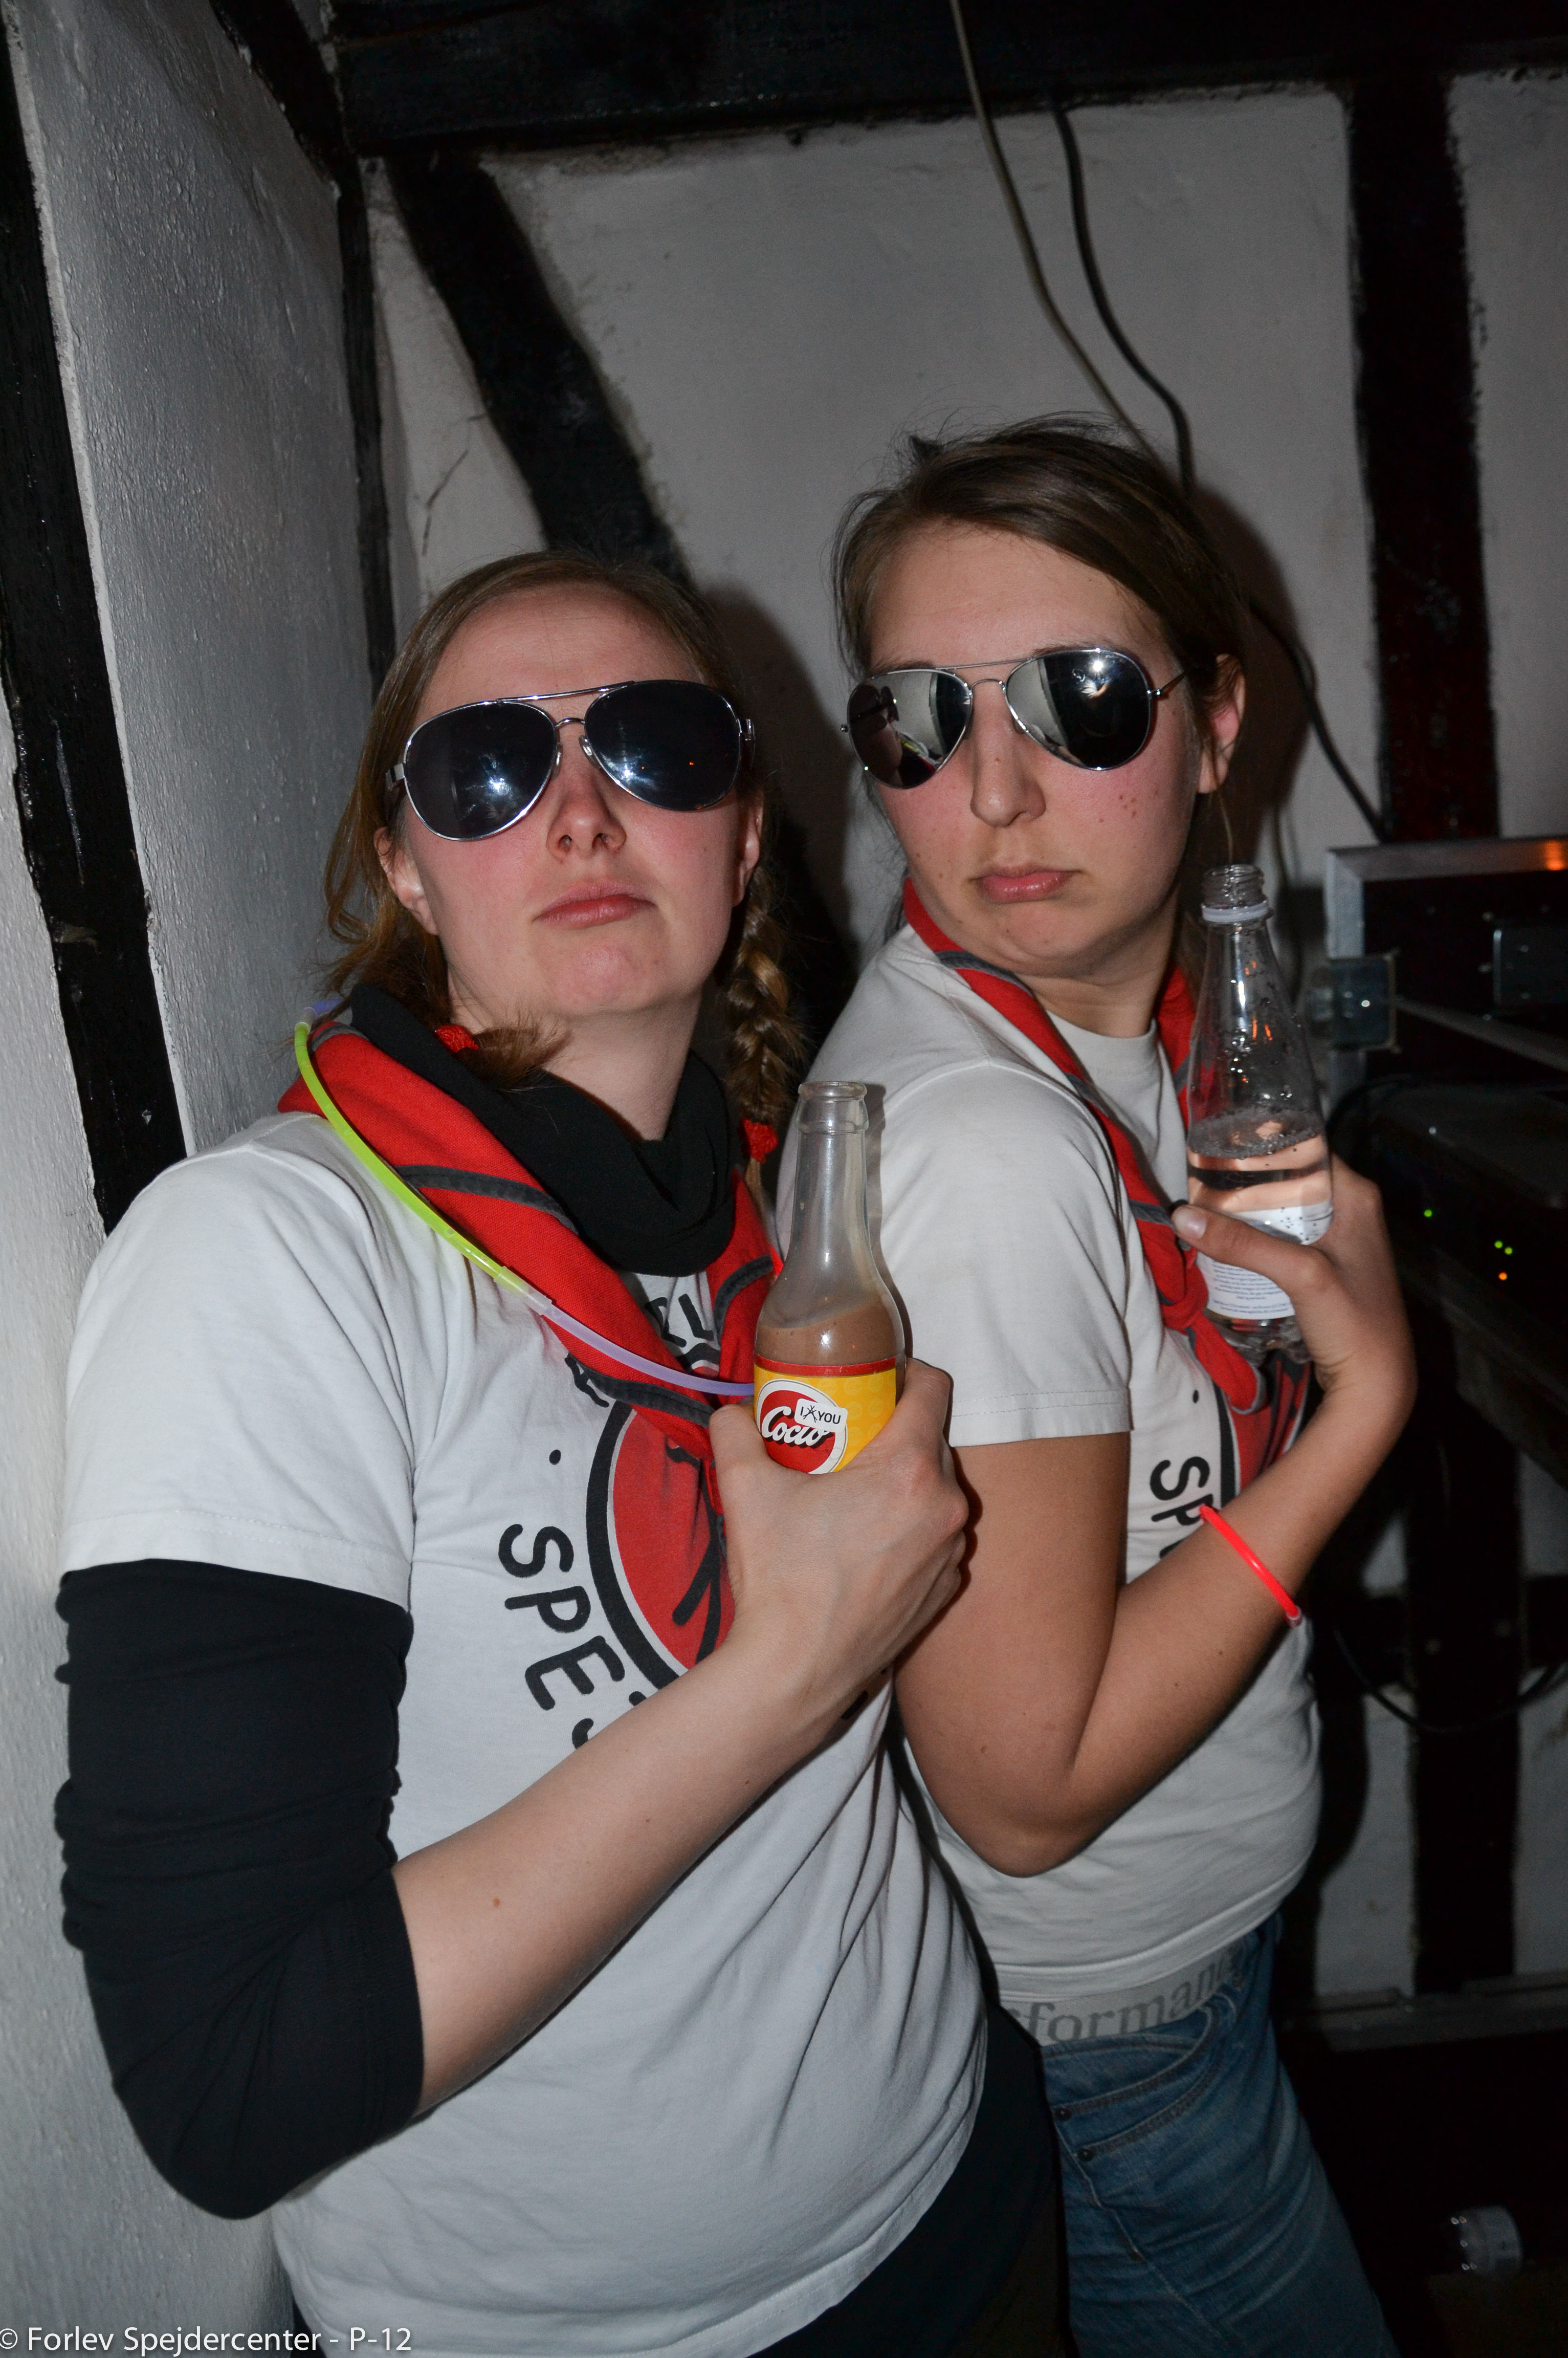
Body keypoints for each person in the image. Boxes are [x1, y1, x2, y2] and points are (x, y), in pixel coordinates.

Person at [55, 551, 1067, 2355]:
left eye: (658, 745)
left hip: (961, 2188)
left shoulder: (778, 1208)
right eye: (490, 768)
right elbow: (233, 2082)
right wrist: (791, 1673)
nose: (584, 810)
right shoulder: (274, 1260)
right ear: (405, 864)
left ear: (741, 837)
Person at [783, 421, 1416, 2357]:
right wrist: (1366, 1412)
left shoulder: (1090, 1040)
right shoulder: (990, 1148)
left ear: (1215, 723)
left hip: (1143, 2010)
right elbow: (1028, 1789)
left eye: (1079, 698)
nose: (992, 790)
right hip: (1111, 2046)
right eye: (918, 718)